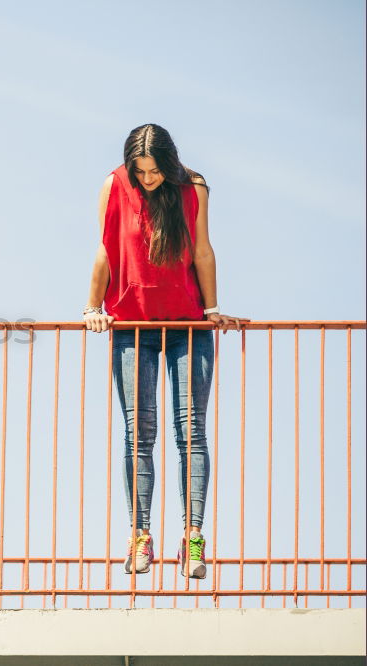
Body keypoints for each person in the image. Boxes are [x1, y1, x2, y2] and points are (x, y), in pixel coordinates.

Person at [83, 124, 246, 579]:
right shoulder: (115, 185)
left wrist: (212, 309)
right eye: (141, 170)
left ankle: (193, 539)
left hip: (187, 328)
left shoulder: (193, 188)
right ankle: (140, 537)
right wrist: (91, 308)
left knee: (190, 430)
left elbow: (202, 251)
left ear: (169, 164)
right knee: (140, 433)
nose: (148, 178)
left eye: (155, 170)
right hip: (131, 328)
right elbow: (105, 253)